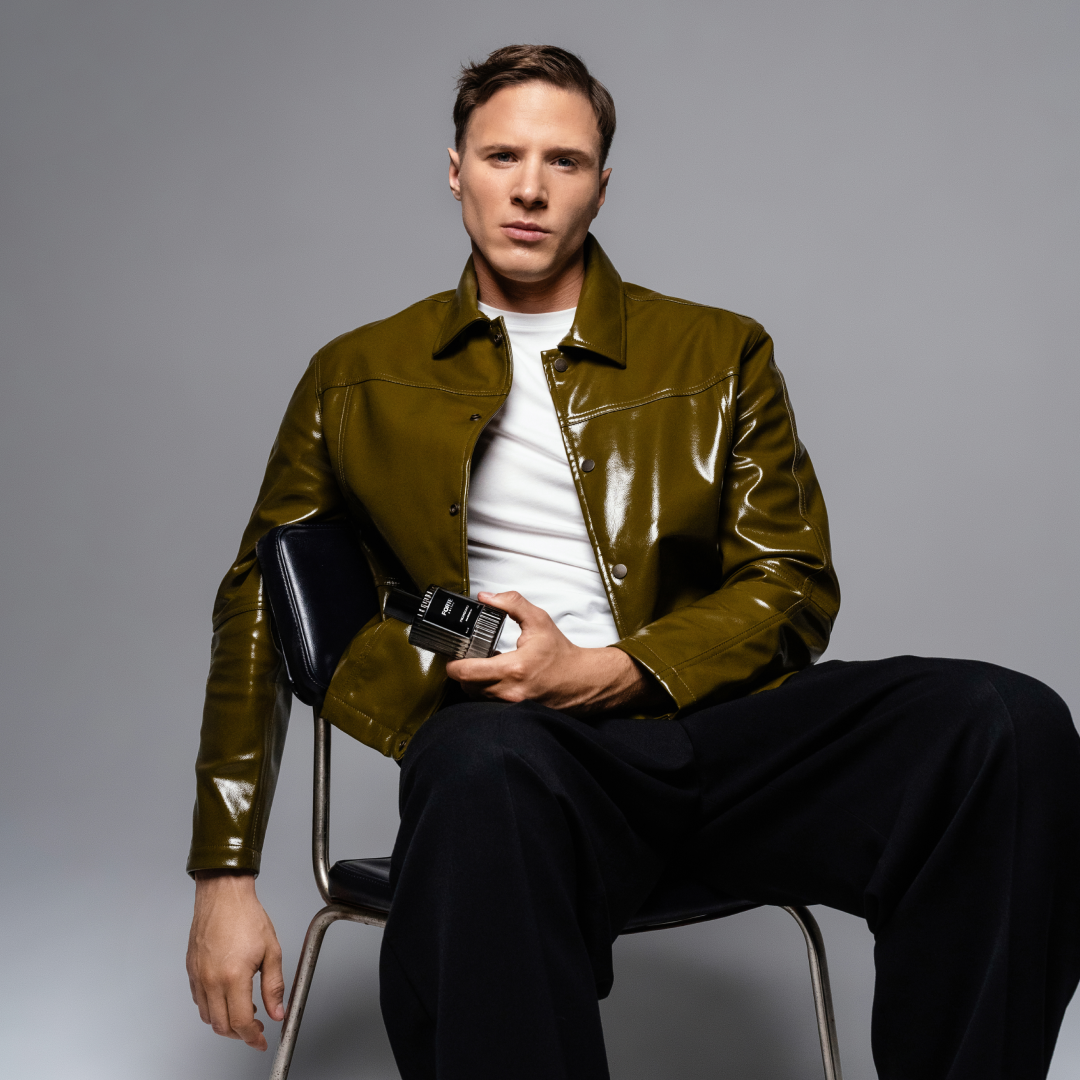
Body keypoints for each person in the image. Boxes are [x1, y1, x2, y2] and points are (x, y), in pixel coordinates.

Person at [185, 44, 1080, 1080]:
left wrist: (609, 668)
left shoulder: (717, 352)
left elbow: (790, 583)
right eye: (501, 155)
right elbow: (260, 598)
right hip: (522, 762)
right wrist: (224, 874)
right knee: (477, 763)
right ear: (454, 168)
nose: (529, 188)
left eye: (563, 162)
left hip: (720, 741)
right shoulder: (354, 376)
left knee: (1004, 726)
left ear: (602, 186)